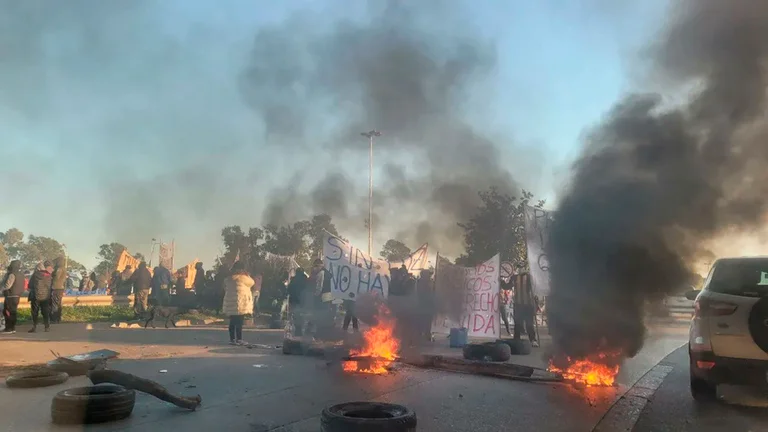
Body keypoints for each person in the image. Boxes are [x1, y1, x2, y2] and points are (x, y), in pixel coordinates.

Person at [222, 261, 255, 345]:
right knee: (239, 322)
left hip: (231, 304)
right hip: (240, 303)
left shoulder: (228, 278)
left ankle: (232, 339)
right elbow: (252, 282)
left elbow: (225, 287)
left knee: (232, 322)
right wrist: (247, 275)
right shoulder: (243, 278)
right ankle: (239, 339)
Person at [512, 267, 539, 347]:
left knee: (529, 324)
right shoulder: (514, 277)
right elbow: (508, 286)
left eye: (522, 267)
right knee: (517, 323)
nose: (520, 269)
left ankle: (533, 339)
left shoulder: (530, 277)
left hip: (528, 305)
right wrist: (501, 281)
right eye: (519, 267)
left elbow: (535, 289)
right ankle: (516, 340)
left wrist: (535, 304)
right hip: (518, 305)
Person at [28, 261, 54, 332]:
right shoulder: (49, 275)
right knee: (45, 311)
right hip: (46, 297)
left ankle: (34, 327)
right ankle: (47, 327)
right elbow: (51, 286)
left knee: (35, 312)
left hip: (36, 296)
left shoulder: (35, 275)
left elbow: (29, 285)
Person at [2, 260, 24, 334]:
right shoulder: (21, 274)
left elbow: (8, 285)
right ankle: (12, 328)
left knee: (7, 311)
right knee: (13, 312)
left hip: (10, 295)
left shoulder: (12, 274)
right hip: (17, 296)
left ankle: (9, 328)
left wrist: (1, 289)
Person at [287, 268, 309, 337]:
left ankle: (297, 330)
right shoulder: (306, 280)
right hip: (303, 301)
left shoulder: (293, 279)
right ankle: (301, 330)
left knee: (295, 315)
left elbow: (289, 289)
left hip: (294, 300)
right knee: (302, 315)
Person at [49, 256, 67, 323]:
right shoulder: (64, 268)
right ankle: (58, 318)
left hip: (56, 288)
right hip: (61, 288)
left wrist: (51, 274)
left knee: (54, 304)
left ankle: (54, 318)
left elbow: (56, 277)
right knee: (58, 303)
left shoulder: (59, 268)